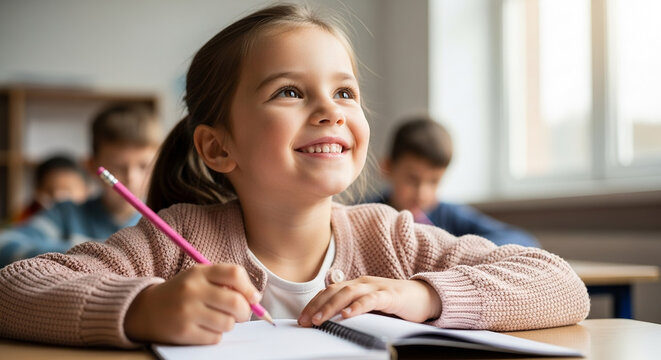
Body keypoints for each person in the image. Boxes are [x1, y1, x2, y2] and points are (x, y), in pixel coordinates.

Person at [0, 3, 588, 349]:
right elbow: (16, 287)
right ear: (218, 146)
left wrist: (422, 294)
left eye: (344, 92)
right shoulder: (173, 240)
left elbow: (560, 283)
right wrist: (142, 308)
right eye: (289, 91)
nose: (330, 109)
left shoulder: (390, 238)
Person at [0, 103, 161, 267]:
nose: (132, 178)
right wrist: (94, 252)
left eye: (144, 166)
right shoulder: (66, 214)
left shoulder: (165, 218)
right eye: (118, 167)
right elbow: (4, 245)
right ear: (91, 166)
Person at [375, 117, 540, 247]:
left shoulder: (448, 215)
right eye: (412, 179)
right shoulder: (368, 214)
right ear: (387, 168)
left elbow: (521, 239)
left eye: (434, 181)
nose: (422, 193)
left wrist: (460, 250)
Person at [13, 154, 90, 223]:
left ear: (86, 190)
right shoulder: (26, 218)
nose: (57, 197)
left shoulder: (91, 218)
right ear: (36, 191)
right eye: (49, 191)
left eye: (67, 190)